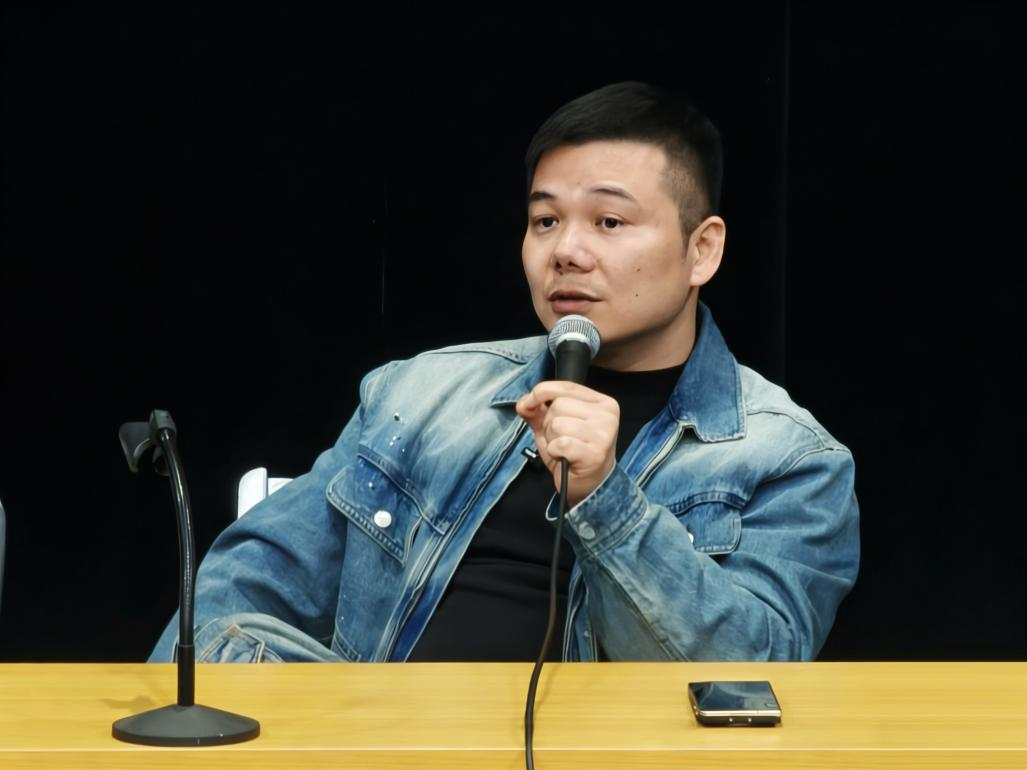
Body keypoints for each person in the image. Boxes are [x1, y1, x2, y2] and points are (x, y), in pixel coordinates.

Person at [150, 82, 859, 664]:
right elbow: (245, 586)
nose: (566, 251)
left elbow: (752, 673)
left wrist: (604, 498)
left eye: (609, 223)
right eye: (545, 221)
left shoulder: (790, 459)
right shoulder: (419, 393)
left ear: (702, 250)